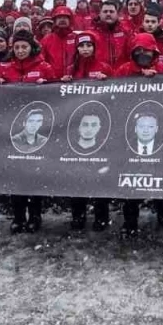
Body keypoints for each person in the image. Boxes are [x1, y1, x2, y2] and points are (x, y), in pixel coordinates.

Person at [115, 34, 163, 236]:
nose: (142, 54)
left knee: (159, 172)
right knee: (130, 175)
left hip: (157, 129)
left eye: (146, 50)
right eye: (138, 50)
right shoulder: (124, 70)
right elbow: (114, 94)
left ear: (154, 51)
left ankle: (162, 209)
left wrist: (156, 80)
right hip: (131, 131)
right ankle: (130, 219)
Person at [2, 32, 55, 232]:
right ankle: (18, 216)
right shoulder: (6, 68)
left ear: (31, 48)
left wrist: (46, 87)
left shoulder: (44, 67)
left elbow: (57, 95)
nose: (20, 50)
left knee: (34, 173)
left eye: (24, 47)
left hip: (38, 128)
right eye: (16, 47)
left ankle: (35, 215)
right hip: (14, 128)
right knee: (15, 173)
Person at [64, 34, 111, 230]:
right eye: (81, 45)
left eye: (89, 45)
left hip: (98, 124)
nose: (85, 49)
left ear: (94, 47)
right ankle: (78, 215)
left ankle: (102, 216)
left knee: (100, 173)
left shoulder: (104, 66)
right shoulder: (70, 69)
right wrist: (63, 83)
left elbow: (118, 90)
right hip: (77, 126)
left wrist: (107, 81)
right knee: (77, 173)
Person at [40, 5, 79, 79]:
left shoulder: (76, 38)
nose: (62, 20)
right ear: (54, 20)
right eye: (59, 17)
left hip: (75, 81)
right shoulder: (46, 39)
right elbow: (41, 61)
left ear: (70, 20)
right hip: (53, 81)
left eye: (65, 17)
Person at [91, 0, 132, 70]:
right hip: (100, 74)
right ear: (100, 14)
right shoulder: (92, 34)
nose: (108, 14)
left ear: (117, 14)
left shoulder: (126, 32)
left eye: (111, 11)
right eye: (105, 11)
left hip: (123, 74)